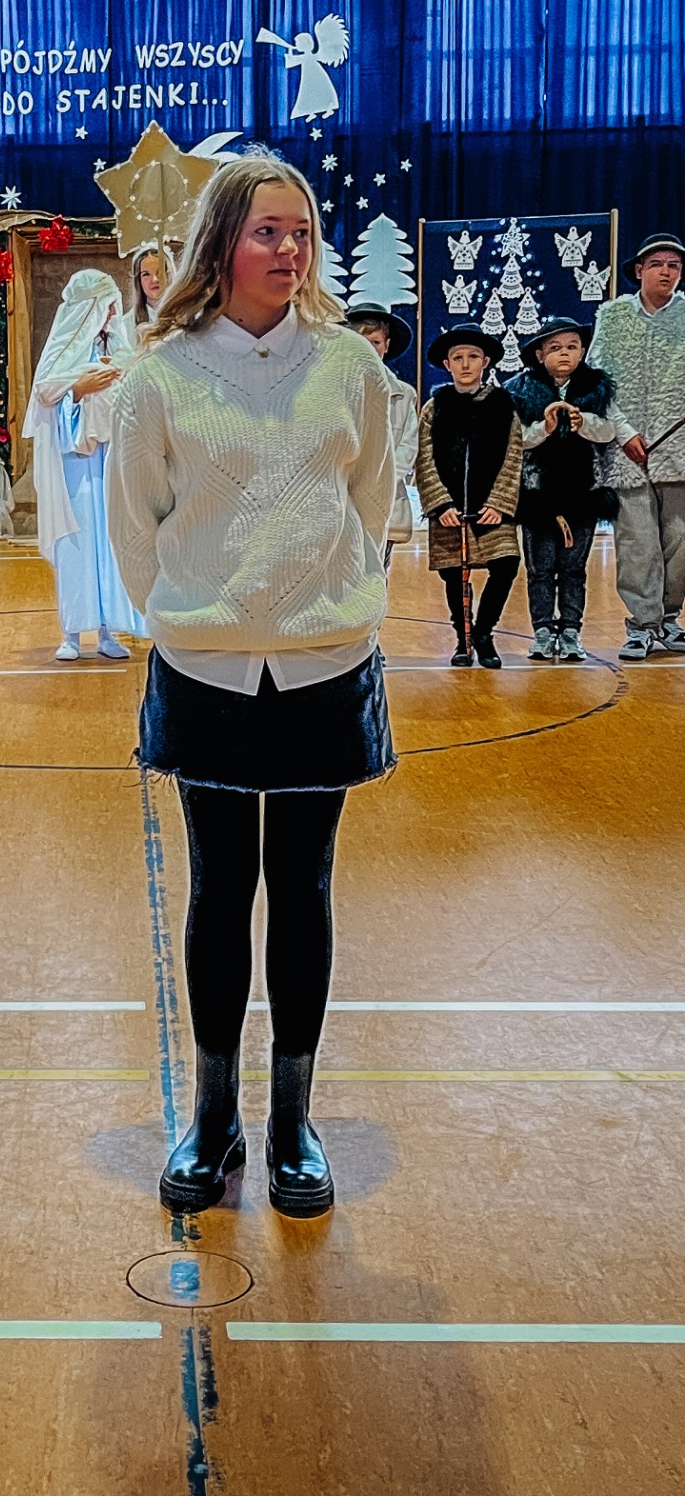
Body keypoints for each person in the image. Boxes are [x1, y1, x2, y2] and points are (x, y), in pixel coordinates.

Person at [108, 157, 395, 1221]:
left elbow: (372, 505)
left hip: (325, 666)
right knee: (219, 889)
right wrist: (200, 614)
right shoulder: (160, 376)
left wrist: (331, 604)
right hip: (206, 671)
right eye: (268, 231)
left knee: (305, 890)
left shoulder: (349, 368)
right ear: (221, 242)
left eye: (301, 231)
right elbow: (135, 528)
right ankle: (215, 1112)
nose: (289, 250)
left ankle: (294, 1120)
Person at [24, 268, 146, 662]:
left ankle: (109, 629)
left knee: (111, 544)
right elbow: (46, 392)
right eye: (106, 305)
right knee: (77, 545)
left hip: (112, 460)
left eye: (113, 304)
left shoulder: (118, 345)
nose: (112, 313)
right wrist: (78, 388)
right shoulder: (64, 348)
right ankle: (73, 633)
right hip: (75, 464)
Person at [587, 233, 685, 660]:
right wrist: (624, 432)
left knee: (680, 540)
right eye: (658, 264)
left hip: (679, 451)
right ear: (640, 270)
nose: (666, 271)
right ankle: (642, 625)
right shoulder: (612, 316)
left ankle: (669, 619)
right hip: (626, 452)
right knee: (637, 542)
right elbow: (597, 379)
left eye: (674, 266)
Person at [506, 318, 623, 663]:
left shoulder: (596, 387)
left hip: (582, 493)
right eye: (555, 348)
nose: (564, 354)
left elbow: (609, 431)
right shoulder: (521, 390)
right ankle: (542, 630)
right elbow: (516, 438)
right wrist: (546, 427)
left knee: (573, 568)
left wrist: (584, 422)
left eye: (572, 347)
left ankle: (571, 630)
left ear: (582, 351)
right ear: (540, 354)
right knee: (540, 568)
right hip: (538, 494)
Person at [415, 324, 523, 669]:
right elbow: (424, 458)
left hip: (490, 509)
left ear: (485, 362)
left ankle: (483, 632)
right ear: (447, 365)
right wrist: (440, 504)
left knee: (505, 564)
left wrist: (499, 503)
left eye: (473, 357)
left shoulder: (503, 405)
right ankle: (462, 639)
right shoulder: (435, 407)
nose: (465, 364)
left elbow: (513, 456)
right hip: (449, 511)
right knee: (454, 574)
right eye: (458, 358)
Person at [344, 301, 418, 567]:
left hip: (382, 497)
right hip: (342, 495)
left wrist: (380, 478)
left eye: (375, 342)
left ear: (386, 345)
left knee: (377, 572)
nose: (368, 348)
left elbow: (408, 446)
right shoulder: (333, 388)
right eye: (360, 341)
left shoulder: (403, 394)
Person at [131, 248, 165, 334]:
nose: (154, 279)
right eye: (146, 274)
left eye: (160, 272)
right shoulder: (125, 325)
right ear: (139, 281)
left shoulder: (187, 318)